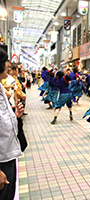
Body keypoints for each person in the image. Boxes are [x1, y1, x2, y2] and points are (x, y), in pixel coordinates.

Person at [0, 48, 24, 200]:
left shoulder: (1, 88)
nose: (8, 69)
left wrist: (15, 117)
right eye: (6, 65)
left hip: (8, 155)